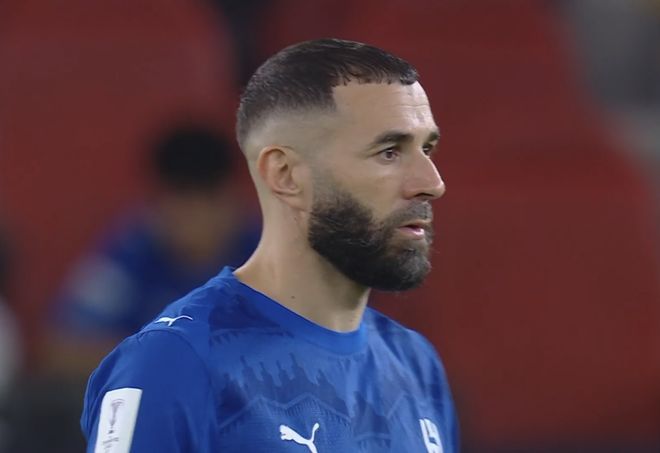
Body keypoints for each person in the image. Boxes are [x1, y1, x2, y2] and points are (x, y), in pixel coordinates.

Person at [82, 38, 459, 452]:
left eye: (427, 148)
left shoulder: (416, 365)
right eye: (388, 152)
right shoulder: (173, 365)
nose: (433, 183)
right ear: (285, 175)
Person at [48, 126, 259, 376]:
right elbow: (64, 349)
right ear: (156, 201)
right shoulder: (129, 252)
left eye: (208, 200)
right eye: (181, 200)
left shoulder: (267, 251)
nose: (195, 218)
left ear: (234, 197)